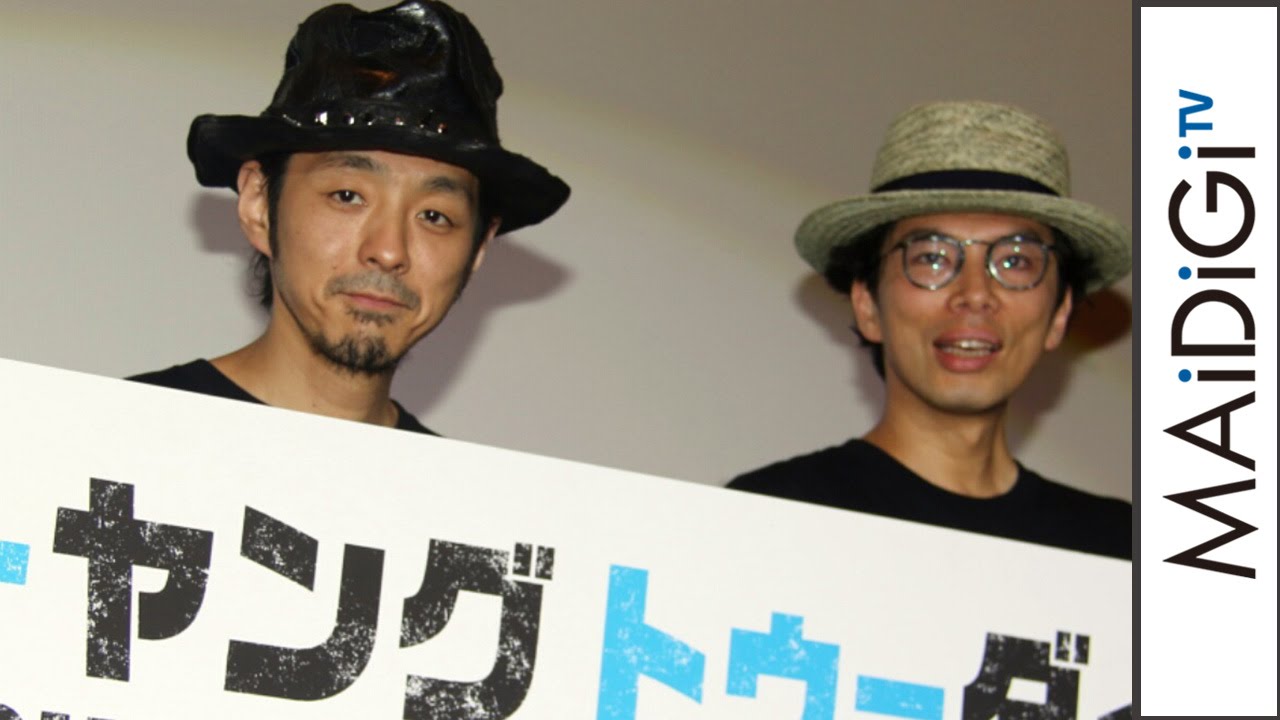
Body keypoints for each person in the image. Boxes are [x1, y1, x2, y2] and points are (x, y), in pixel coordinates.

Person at [130, 0, 569, 435]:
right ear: (259, 205)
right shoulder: (119, 437)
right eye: (347, 196)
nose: (389, 251)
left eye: (434, 216)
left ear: (479, 248)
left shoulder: (459, 480)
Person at [728, 101, 1131, 559]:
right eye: (932, 258)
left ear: (1058, 314)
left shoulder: (1120, 550)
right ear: (867, 305)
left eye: (1015, 261)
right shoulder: (771, 519)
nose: (975, 294)